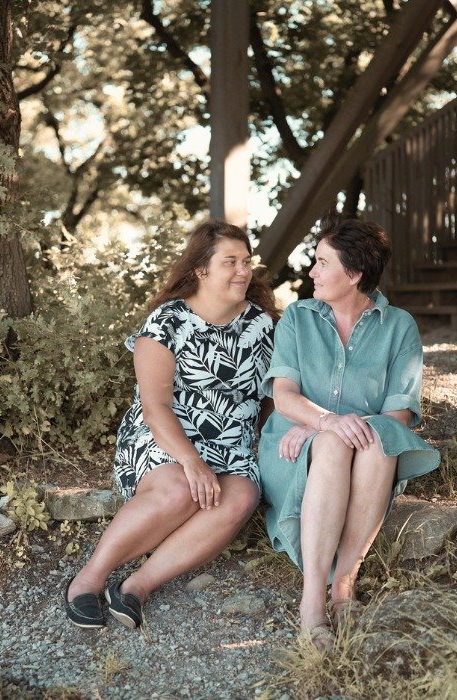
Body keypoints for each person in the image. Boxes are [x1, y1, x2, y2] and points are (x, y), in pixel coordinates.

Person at [65, 220, 278, 629]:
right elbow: (156, 405)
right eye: (230, 261)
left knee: (239, 499)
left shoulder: (262, 324)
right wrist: (192, 461)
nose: (242, 270)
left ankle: (135, 587)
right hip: (164, 436)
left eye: (246, 261)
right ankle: (88, 578)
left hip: (231, 446)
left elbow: (270, 397)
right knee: (183, 488)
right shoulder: (168, 321)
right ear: (201, 269)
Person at [258, 217, 440, 651]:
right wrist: (320, 424)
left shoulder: (399, 327)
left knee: (377, 442)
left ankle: (344, 585)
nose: (312, 273)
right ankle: (311, 603)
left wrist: (328, 426)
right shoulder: (298, 319)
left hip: (359, 447)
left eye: (322, 264)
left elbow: (397, 416)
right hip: (289, 447)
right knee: (335, 441)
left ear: (354, 274)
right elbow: (283, 395)